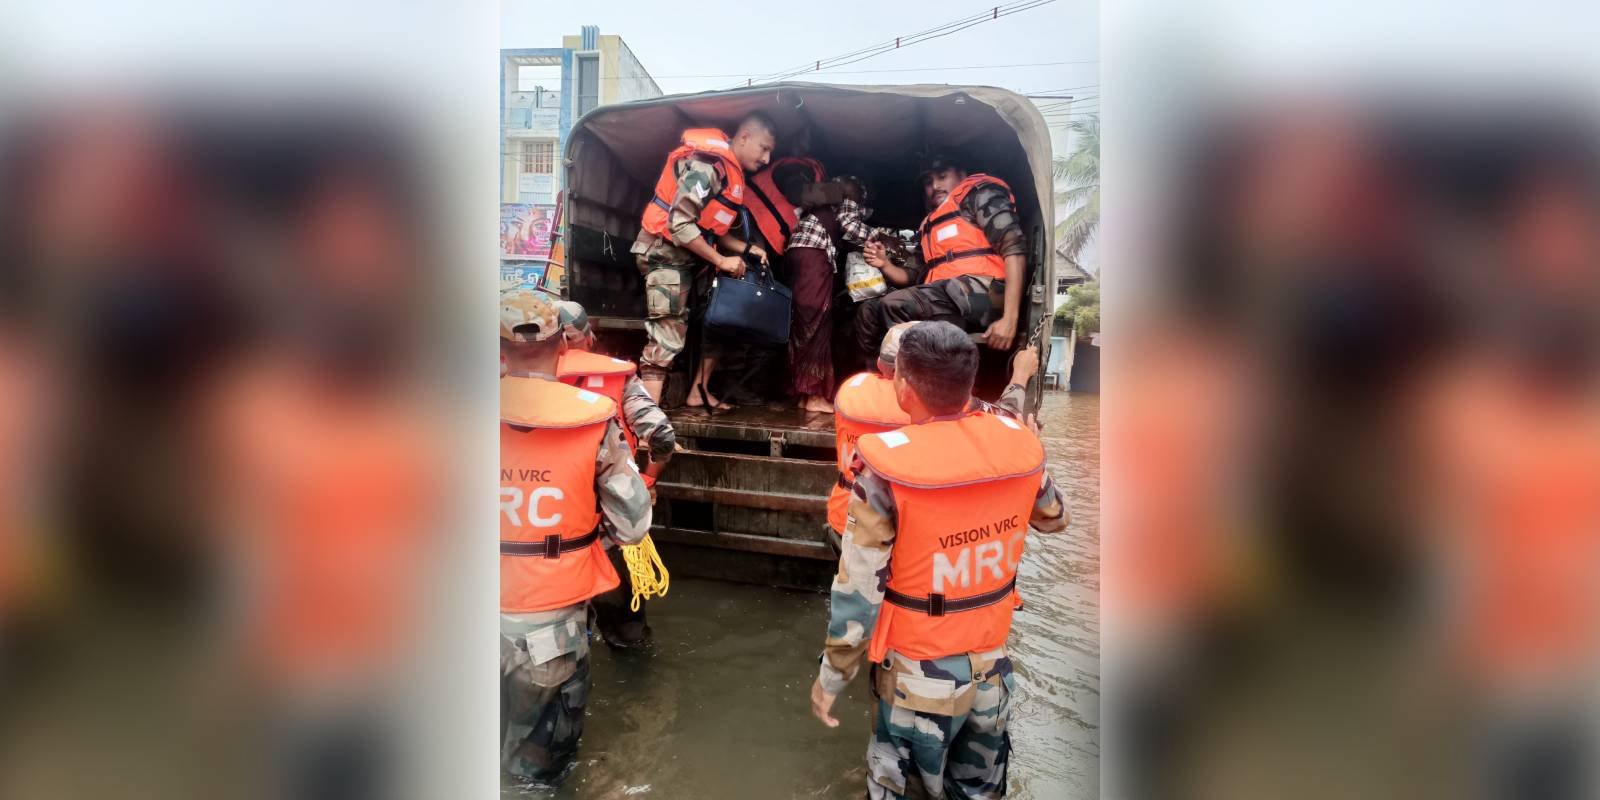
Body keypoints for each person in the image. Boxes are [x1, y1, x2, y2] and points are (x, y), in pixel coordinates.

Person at [808, 321, 1069, 799]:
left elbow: (859, 592)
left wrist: (832, 676)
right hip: (992, 674)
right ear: (969, 383)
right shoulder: (1020, 447)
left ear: (903, 385)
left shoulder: (884, 470)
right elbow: (1054, 519)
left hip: (915, 683)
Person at [498, 290, 652, 786]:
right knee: (537, 776)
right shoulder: (594, 417)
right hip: (549, 628)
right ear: (564, 346)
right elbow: (632, 524)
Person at [828, 322, 1039, 541]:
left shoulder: (850, 392)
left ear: (880, 365)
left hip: (845, 524)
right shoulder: (947, 403)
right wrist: (1020, 375)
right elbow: (1007, 417)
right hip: (914, 530)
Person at [632, 114, 777, 409]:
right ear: (744, 137)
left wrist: (747, 249)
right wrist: (721, 261)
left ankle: (698, 392)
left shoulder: (730, 174)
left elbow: (713, 231)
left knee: (720, 320)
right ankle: (646, 430)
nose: (767, 157)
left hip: (689, 259)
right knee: (666, 340)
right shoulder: (708, 165)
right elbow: (680, 224)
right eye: (763, 148)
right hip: (665, 256)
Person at [552, 298, 675, 647]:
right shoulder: (617, 378)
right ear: (589, 339)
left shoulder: (510, 384)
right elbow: (663, 436)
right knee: (626, 634)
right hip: (611, 526)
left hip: (546, 532)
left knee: (555, 640)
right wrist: (648, 480)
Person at [855, 150, 1028, 366]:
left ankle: (916, 381)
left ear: (962, 173)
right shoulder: (930, 223)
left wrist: (1009, 319)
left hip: (988, 295)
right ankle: (882, 384)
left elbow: (1015, 250)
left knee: (896, 304)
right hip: (943, 297)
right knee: (868, 312)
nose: (935, 186)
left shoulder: (980, 194)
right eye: (928, 182)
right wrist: (885, 264)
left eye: (942, 176)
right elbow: (911, 274)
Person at [785, 175, 875, 413]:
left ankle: (805, 394)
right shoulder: (851, 189)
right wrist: (881, 239)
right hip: (813, 255)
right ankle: (814, 396)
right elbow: (849, 223)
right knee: (817, 320)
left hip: (799, 253)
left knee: (804, 321)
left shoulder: (826, 194)